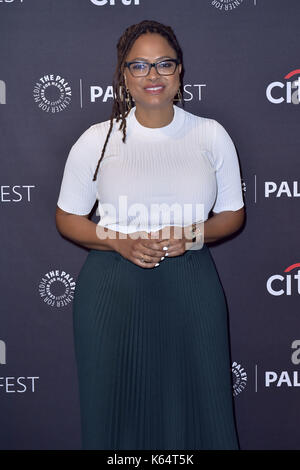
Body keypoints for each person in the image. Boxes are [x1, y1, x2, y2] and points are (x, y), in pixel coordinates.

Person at [55, 19, 245, 450]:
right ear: (123, 77)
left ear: (180, 72)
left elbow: (233, 214)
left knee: (201, 410)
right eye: (138, 66)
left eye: (163, 64)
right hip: (112, 290)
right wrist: (117, 240)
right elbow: (68, 217)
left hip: (190, 285)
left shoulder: (210, 135)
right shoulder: (96, 140)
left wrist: (193, 234)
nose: (152, 75)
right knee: (113, 413)